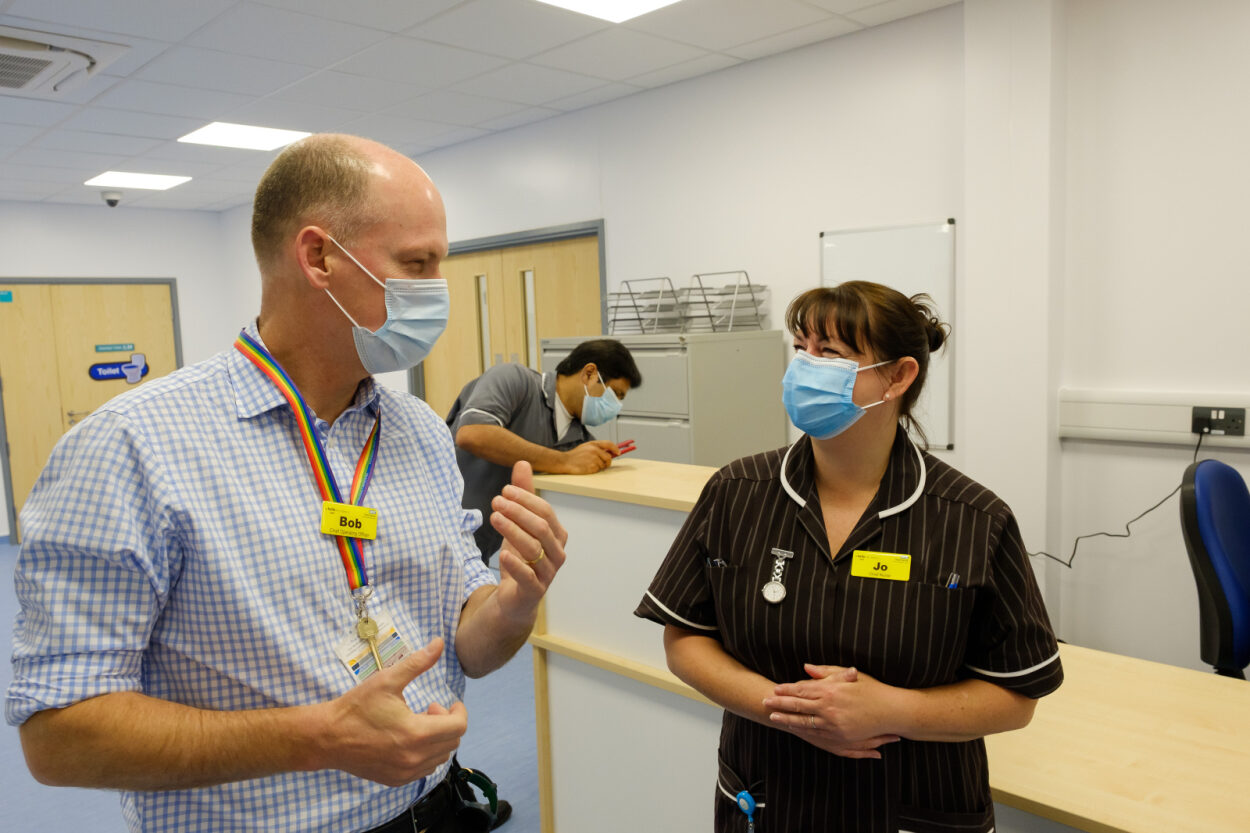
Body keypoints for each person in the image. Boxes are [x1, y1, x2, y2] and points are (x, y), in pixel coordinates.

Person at [5, 134, 567, 833]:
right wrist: (320, 735)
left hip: (435, 809)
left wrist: (516, 599)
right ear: (319, 256)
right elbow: (59, 735)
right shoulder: (131, 446)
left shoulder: (418, 431)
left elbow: (467, 645)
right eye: (416, 263)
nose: (435, 290)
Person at [635, 281, 1062, 833]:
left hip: (913, 805)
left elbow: (1015, 694)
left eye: (831, 354)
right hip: (766, 799)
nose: (804, 368)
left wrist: (891, 711)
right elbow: (686, 638)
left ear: (899, 376)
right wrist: (790, 712)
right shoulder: (737, 490)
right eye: (800, 348)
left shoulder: (973, 519)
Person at [447, 339, 642, 561]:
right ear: (589, 374)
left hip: (481, 548)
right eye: (615, 394)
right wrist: (564, 462)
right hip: (440, 530)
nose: (615, 407)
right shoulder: (514, 379)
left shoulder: (578, 438)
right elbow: (474, 433)